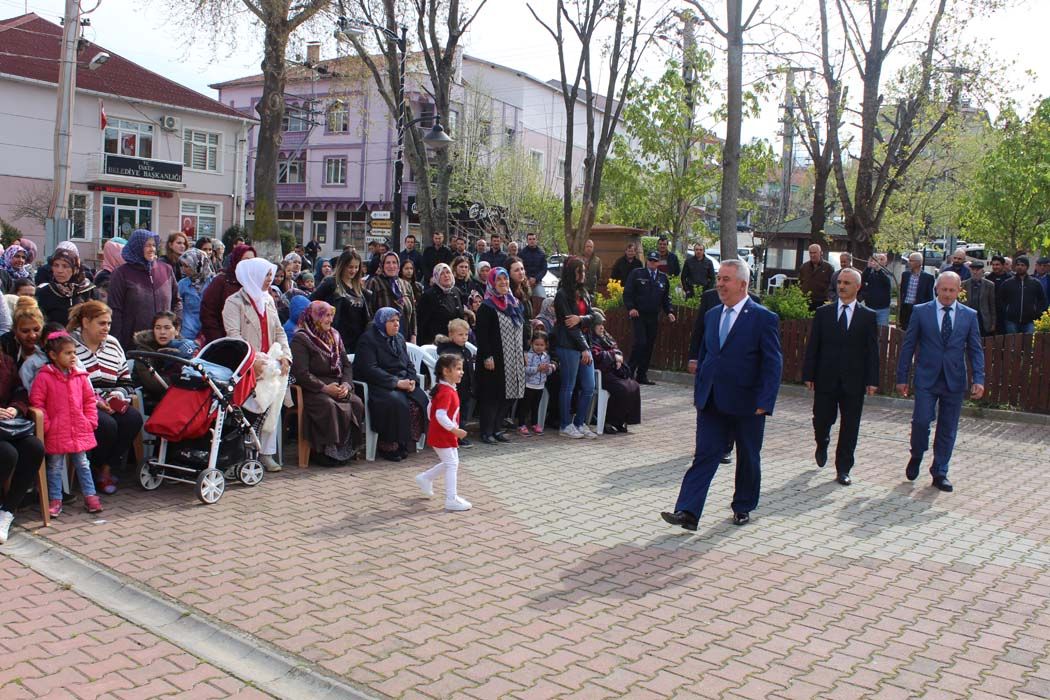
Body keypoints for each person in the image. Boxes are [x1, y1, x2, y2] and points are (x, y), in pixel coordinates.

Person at [661, 260, 782, 531]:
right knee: (705, 454)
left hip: (748, 403)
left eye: (726, 279)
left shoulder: (763, 318)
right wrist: (700, 388)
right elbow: (707, 355)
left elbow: (773, 363)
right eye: (718, 278)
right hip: (712, 400)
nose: (719, 284)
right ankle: (688, 511)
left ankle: (743, 505)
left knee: (748, 456)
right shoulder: (712, 314)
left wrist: (765, 401)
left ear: (742, 284)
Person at [896, 272, 984, 493]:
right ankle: (917, 454)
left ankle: (940, 471)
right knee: (921, 421)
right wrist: (902, 377)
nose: (947, 294)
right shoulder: (921, 312)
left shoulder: (969, 315)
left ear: (958, 291)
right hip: (927, 376)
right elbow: (908, 346)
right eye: (943, 289)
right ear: (936, 289)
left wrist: (979, 379)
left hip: (954, 379)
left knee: (948, 427)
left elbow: (975, 349)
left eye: (951, 290)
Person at [801, 269, 879, 486]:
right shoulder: (823, 313)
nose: (841, 286)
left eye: (847, 283)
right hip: (826, 377)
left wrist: (873, 380)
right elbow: (813, 345)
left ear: (857, 287)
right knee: (821, 419)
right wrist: (809, 373)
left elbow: (872, 350)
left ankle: (843, 468)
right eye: (840, 282)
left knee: (850, 426)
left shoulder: (867, 316)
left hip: (854, 380)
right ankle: (822, 441)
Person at [222, 258, 291, 472]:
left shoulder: (268, 300)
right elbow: (234, 336)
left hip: (271, 364)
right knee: (249, 409)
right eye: (266, 275)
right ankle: (242, 453)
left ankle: (266, 453)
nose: (269, 280)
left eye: (271, 276)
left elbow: (279, 330)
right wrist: (256, 360)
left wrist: (286, 355)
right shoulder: (234, 302)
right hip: (247, 365)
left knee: (272, 407)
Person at [68, 301, 143, 495]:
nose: (106, 328)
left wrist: (117, 396)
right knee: (106, 425)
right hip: (82, 402)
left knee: (133, 419)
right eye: (101, 323)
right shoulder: (70, 345)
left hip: (112, 398)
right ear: (85, 322)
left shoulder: (113, 343)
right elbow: (67, 383)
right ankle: (97, 467)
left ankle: (107, 469)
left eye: (108, 324)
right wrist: (95, 402)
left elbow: (127, 381)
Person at [30, 331, 101, 516]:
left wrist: (91, 420)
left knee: (83, 463)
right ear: (53, 355)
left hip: (79, 427)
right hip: (56, 430)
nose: (73, 357)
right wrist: (47, 425)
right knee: (54, 466)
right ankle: (55, 499)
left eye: (74, 352)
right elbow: (38, 403)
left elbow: (89, 400)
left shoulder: (80, 376)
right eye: (68, 353)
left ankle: (90, 496)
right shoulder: (44, 377)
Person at [290, 300, 365, 466]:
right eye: (325, 316)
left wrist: (346, 386)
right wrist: (324, 388)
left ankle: (345, 451)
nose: (330, 320)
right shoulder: (301, 339)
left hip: (337, 385)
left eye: (331, 315)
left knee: (356, 402)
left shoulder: (335, 335)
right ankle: (323, 452)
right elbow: (301, 373)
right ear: (314, 316)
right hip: (312, 389)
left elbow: (346, 365)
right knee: (329, 405)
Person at [353, 308, 429, 461]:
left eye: (397, 321)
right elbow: (370, 369)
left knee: (420, 398)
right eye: (392, 321)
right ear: (382, 322)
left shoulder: (399, 338)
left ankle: (406, 442)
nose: (396, 324)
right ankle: (388, 445)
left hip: (401, 381)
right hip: (378, 384)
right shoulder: (368, 340)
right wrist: (396, 383)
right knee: (395, 401)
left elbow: (408, 363)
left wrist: (412, 380)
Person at [0, 342, 45, 543]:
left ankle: (7, 512)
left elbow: (19, 392)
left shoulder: (6, 362)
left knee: (34, 447)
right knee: (8, 453)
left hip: (6, 425)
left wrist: (15, 409)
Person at [475, 267, 525, 444]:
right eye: (499, 280)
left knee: (509, 395)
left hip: (514, 358)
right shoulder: (486, 307)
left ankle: (497, 429)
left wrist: (524, 351)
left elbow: (523, 329)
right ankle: (486, 431)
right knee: (492, 396)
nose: (504, 283)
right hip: (494, 360)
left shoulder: (515, 304)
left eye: (506, 280)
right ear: (492, 283)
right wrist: (487, 356)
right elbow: (482, 334)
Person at [414, 353, 471, 511]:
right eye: (458, 369)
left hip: (444, 433)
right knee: (452, 464)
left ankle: (425, 478)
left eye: (462, 369)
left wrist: (446, 428)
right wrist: (454, 429)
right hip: (443, 434)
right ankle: (451, 499)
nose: (462, 372)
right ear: (446, 371)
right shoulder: (446, 391)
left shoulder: (445, 388)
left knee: (452, 463)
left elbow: (430, 409)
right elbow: (439, 414)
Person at [108, 229, 180, 349]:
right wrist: (117, 343)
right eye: (147, 245)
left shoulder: (166, 270)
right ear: (137, 247)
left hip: (165, 343)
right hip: (133, 343)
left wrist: (175, 326)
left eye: (153, 245)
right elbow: (115, 309)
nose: (152, 249)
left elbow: (177, 301)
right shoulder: (121, 273)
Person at [551, 257, 597, 439]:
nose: (583, 274)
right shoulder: (562, 294)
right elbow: (570, 325)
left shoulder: (584, 293)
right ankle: (565, 424)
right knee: (568, 386)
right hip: (568, 345)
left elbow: (593, 316)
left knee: (589, 386)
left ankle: (580, 422)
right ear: (572, 273)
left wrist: (582, 318)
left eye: (584, 271)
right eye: (580, 271)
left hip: (584, 343)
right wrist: (584, 348)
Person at [623, 251, 677, 385]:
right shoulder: (637, 274)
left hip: (653, 316)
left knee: (649, 345)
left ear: (658, 262)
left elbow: (665, 298)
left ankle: (642, 374)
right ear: (647, 261)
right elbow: (628, 293)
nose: (652, 263)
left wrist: (669, 311)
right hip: (639, 314)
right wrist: (631, 308)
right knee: (640, 342)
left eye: (655, 261)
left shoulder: (663, 278)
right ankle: (629, 372)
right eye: (650, 260)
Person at [588, 311, 641, 434]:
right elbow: (596, 356)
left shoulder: (606, 337)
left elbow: (616, 350)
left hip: (614, 373)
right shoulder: (591, 339)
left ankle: (621, 421)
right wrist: (613, 356)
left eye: (602, 324)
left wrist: (618, 356)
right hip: (602, 375)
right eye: (598, 324)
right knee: (622, 389)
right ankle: (609, 421)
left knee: (634, 386)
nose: (601, 327)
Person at [131, 312, 196, 409]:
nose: (162, 332)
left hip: (177, 396)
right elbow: (153, 384)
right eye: (158, 328)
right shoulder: (143, 350)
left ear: (177, 330)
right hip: (149, 398)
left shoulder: (185, 349)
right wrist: (178, 379)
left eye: (167, 328)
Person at [311, 250, 372, 353]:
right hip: (335, 338)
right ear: (342, 266)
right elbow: (312, 302)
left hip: (357, 340)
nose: (353, 270)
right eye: (350, 267)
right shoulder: (330, 283)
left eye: (356, 267)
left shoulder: (360, 290)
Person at [199, 243, 256, 344]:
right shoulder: (221, 282)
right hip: (224, 342)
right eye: (245, 260)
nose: (249, 264)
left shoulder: (257, 284)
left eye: (253, 261)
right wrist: (218, 341)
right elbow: (208, 313)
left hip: (253, 344)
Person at [435, 318, 475, 448]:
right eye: (460, 334)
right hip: (453, 388)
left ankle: (460, 435)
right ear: (451, 335)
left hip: (466, 387)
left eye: (466, 334)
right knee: (452, 413)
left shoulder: (466, 351)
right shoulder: (448, 352)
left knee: (463, 412)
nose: (464, 338)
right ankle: (453, 435)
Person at [35, 247, 97, 328]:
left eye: (65, 266)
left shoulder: (87, 289)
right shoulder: (44, 292)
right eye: (56, 265)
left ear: (75, 269)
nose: (59, 270)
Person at [367, 251, 417, 342]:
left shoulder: (406, 285)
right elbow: (369, 310)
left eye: (394, 262)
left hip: (405, 334)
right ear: (382, 265)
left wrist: (414, 334)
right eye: (388, 263)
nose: (391, 266)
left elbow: (413, 312)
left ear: (398, 266)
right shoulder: (374, 282)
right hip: (382, 337)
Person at [416, 263, 466, 346]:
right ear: (436, 276)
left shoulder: (456, 291)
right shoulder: (429, 296)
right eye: (442, 274)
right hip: (436, 343)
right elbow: (422, 324)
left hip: (457, 341)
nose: (446, 276)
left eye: (448, 272)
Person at [997, 256, 1048, 334]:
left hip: (1030, 321)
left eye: (1022, 265)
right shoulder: (1007, 283)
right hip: (1011, 321)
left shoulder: (1035, 283)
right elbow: (1000, 300)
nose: (1020, 267)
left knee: (1028, 344)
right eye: (1018, 265)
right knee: (1013, 344)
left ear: (1027, 267)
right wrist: (1006, 311)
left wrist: (1037, 313)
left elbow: (1042, 300)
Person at [516, 331, 554, 435]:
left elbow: (549, 371)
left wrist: (548, 369)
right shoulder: (528, 355)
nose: (539, 347)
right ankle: (521, 424)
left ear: (546, 345)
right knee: (525, 406)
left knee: (536, 406)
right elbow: (524, 370)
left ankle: (534, 423)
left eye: (542, 345)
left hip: (540, 386)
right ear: (532, 343)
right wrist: (537, 369)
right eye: (536, 344)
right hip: (529, 385)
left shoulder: (546, 356)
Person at [177, 248, 214, 343]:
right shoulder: (182, 284)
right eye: (182, 266)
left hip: (209, 331)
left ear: (198, 265)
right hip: (188, 332)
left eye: (187, 266)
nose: (183, 269)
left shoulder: (213, 282)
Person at [898, 252, 935, 330]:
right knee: (905, 328)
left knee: (917, 329)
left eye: (911, 260)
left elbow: (930, 296)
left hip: (918, 308)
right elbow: (902, 291)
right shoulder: (905, 275)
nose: (909, 262)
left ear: (919, 262)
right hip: (906, 307)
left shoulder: (928, 278)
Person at [961, 260, 996, 336]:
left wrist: (993, 322)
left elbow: (992, 305)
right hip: (968, 317)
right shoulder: (963, 284)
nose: (975, 272)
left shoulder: (989, 285)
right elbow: (960, 302)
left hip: (982, 317)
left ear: (982, 271)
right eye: (973, 270)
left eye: (977, 270)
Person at [798, 244, 834, 311]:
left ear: (821, 253)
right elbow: (800, 282)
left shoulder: (829, 267)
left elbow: (832, 285)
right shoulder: (804, 267)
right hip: (806, 301)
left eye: (814, 253)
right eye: (810, 253)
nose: (812, 255)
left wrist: (829, 299)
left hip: (822, 301)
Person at [520, 233, 548, 316]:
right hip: (525, 282)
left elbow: (544, 269)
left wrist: (535, 279)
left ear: (536, 240)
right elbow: (521, 267)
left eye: (533, 239)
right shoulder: (522, 253)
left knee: (543, 299)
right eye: (530, 239)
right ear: (527, 240)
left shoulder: (541, 253)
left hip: (537, 282)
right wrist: (527, 279)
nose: (532, 241)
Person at [861, 253, 892, 327]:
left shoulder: (888, 273)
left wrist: (878, 269)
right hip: (869, 308)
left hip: (883, 310)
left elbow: (886, 282)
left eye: (882, 259)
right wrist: (868, 267)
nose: (879, 262)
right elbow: (862, 279)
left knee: (882, 333)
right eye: (878, 259)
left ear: (886, 262)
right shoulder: (871, 273)